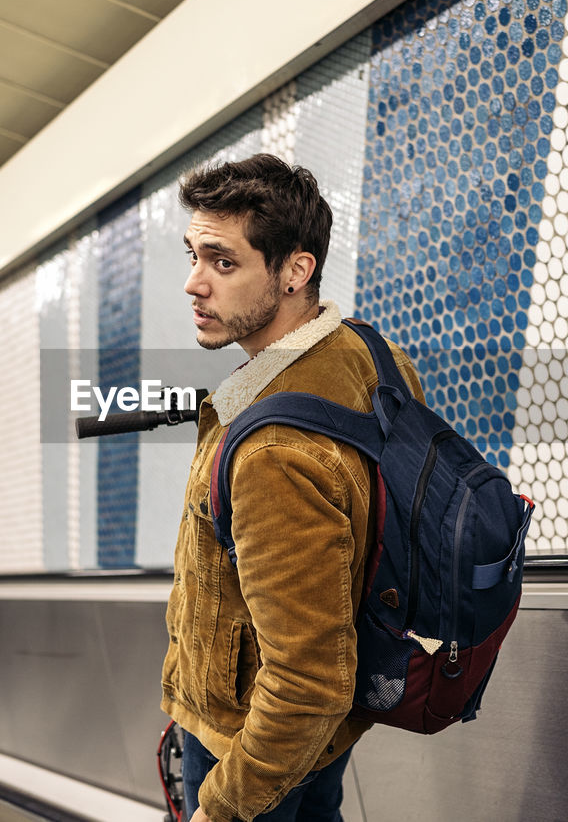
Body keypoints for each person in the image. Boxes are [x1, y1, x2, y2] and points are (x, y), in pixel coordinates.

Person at [160, 154, 425, 821]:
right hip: (324, 740)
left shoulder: (272, 450)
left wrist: (218, 808)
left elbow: (306, 684)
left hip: (248, 747)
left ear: (294, 271)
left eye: (222, 262)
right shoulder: (373, 355)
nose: (194, 283)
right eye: (193, 255)